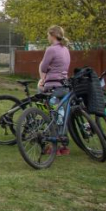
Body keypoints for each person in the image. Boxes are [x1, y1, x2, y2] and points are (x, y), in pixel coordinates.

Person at [38, 25, 71, 156]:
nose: (47, 37)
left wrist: (48, 70)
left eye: (48, 35)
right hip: (65, 86)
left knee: (53, 116)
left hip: (53, 87)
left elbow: (43, 67)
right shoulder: (65, 49)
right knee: (62, 116)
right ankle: (64, 147)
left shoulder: (51, 49)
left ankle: (54, 147)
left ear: (52, 35)